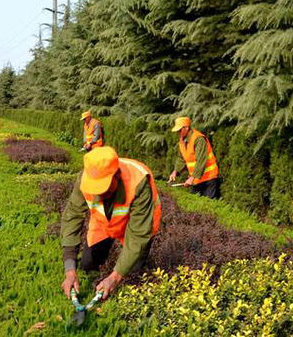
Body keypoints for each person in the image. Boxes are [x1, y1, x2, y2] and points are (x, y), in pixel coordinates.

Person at [61, 146, 161, 300]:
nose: (99, 195)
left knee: (131, 275)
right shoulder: (86, 178)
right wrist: (70, 271)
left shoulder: (139, 181)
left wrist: (115, 277)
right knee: (88, 265)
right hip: (104, 223)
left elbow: (138, 236)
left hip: (136, 226)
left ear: (117, 176)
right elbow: (72, 217)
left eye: (104, 188)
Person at [168, 117, 220, 199]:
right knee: (196, 207)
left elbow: (201, 160)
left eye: (179, 130)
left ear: (186, 128)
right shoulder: (182, 141)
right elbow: (181, 158)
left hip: (209, 178)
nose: (178, 132)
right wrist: (175, 172)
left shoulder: (198, 139)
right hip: (196, 179)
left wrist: (192, 178)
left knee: (208, 208)